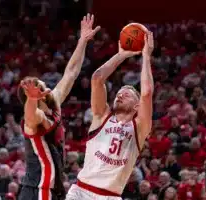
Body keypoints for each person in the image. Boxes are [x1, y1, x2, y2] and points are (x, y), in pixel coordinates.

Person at [17, 14, 100, 200]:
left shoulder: (54, 102)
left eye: (41, 84)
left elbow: (71, 72)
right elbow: (31, 115)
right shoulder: (33, 118)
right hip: (37, 188)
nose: (44, 86)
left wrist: (82, 41)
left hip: (53, 188)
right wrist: (31, 100)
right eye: (38, 87)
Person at [66, 26, 154, 200]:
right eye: (119, 92)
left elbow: (147, 93)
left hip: (110, 196)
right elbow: (97, 78)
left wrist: (146, 56)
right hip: (80, 192)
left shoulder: (139, 127)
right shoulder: (101, 116)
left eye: (127, 94)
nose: (120, 94)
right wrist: (121, 55)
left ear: (137, 106)